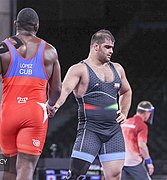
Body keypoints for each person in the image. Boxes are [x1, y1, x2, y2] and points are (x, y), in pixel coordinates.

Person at [0, 8, 62, 180]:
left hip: (9, 114)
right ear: (37, 26)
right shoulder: (49, 51)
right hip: (34, 113)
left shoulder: (1, 48)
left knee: (9, 169)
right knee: (26, 168)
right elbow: (57, 89)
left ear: (15, 25)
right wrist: (50, 105)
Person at [52, 29, 132, 180]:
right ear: (95, 46)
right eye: (107, 47)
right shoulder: (79, 69)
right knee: (76, 175)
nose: (111, 51)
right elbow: (65, 90)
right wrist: (54, 106)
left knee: (115, 175)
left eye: (112, 48)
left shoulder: (117, 69)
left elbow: (126, 91)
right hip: (91, 131)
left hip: (113, 131)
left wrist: (124, 112)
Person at [121, 101, 155, 180]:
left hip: (120, 161)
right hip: (133, 162)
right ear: (146, 113)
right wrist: (149, 162)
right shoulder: (142, 126)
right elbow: (142, 145)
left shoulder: (125, 122)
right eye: (149, 113)